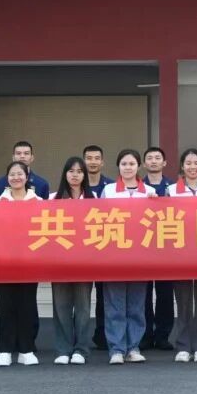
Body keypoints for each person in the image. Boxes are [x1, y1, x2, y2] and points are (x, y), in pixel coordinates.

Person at [101, 149, 156, 364]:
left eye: (132, 164)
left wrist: (157, 202)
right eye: (124, 164)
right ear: (118, 167)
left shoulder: (149, 191)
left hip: (140, 257)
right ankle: (116, 349)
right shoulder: (108, 190)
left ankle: (133, 347)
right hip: (114, 256)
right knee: (115, 305)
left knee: (136, 305)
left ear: (138, 166)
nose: (128, 167)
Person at [167, 148, 197, 363]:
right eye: (188, 163)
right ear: (182, 166)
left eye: (196, 163)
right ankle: (183, 345)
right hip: (180, 254)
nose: (192, 167)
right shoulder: (171, 190)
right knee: (184, 301)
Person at [0, 161, 40, 366]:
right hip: (3, 262)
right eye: (12, 174)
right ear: (7, 178)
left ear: (27, 177)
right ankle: (5, 350)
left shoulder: (38, 201)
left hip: (29, 262)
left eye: (20, 174)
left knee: (27, 305)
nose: (16, 178)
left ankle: (26, 349)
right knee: (5, 305)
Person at [51, 157, 95, 365]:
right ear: (65, 174)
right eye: (71, 171)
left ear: (84, 175)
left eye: (79, 171)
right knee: (61, 306)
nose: (75, 175)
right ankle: (63, 348)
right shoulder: (53, 199)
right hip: (59, 261)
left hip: (85, 262)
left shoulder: (94, 199)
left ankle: (81, 349)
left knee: (83, 307)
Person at [141, 146, 174, 351]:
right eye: (150, 158)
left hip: (167, 248)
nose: (153, 161)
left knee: (165, 294)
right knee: (143, 294)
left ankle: (163, 335)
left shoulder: (174, 187)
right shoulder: (138, 187)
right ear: (144, 164)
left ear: (164, 163)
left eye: (157, 158)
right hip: (143, 248)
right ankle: (145, 335)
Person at [84, 144, 115, 350]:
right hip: (83, 252)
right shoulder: (77, 184)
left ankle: (104, 334)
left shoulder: (110, 187)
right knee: (82, 296)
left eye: (97, 158)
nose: (93, 162)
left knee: (105, 296)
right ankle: (79, 337)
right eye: (89, 158)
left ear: (102, 162)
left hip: (105, 250)